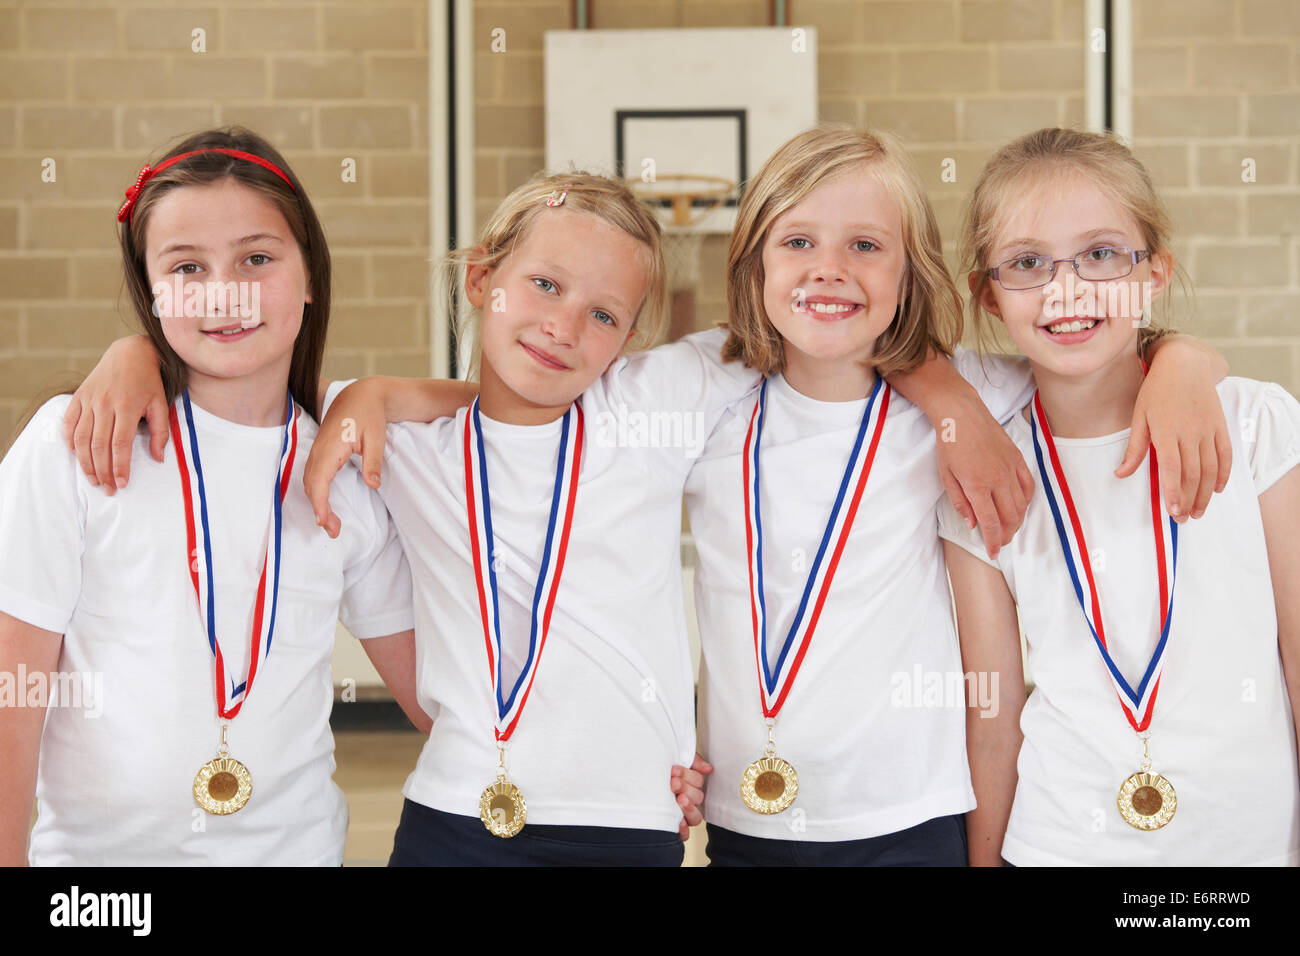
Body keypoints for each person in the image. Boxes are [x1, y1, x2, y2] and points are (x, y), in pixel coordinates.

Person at [682, 125, 1232, 865]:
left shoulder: (984, 390)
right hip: (748, 820)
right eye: (798, 242)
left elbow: (1096, 356)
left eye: (867, 246)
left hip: (921, 819)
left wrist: (1183, 360)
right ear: (752, 261)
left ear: (912, 272)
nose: (831, 270)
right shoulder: (702, 394)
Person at [0, 127, 435, 866]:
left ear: (309, 276)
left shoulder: (345, 470)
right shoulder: (74, 445)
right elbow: (12, 698)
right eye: (187, 267)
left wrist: (627, 765)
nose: (224, 293)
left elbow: (440, 701)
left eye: (257, 259)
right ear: (150, 289)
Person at [940, 127, 1300, 866]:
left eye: (1101, 254)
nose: (1066, 290)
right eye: (1028, 263)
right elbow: (993, 712)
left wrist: (1184, 359)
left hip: (1245, 853)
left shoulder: (1259, 424)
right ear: (988, 293)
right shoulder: (985, 474)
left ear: (1155, 272)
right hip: (1059, 844)